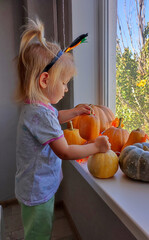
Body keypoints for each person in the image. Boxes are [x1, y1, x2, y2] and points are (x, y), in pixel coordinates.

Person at [15, 18, 111, 240]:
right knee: (38, 234)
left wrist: (75, 113)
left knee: (38, 229)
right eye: (65, 83)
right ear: (45, 80)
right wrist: (96, 146)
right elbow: (65, 151)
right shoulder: (40, 113)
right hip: (37, 192)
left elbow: (55, 117)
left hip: (35, 187)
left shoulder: (38, 108)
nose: (67, 89)